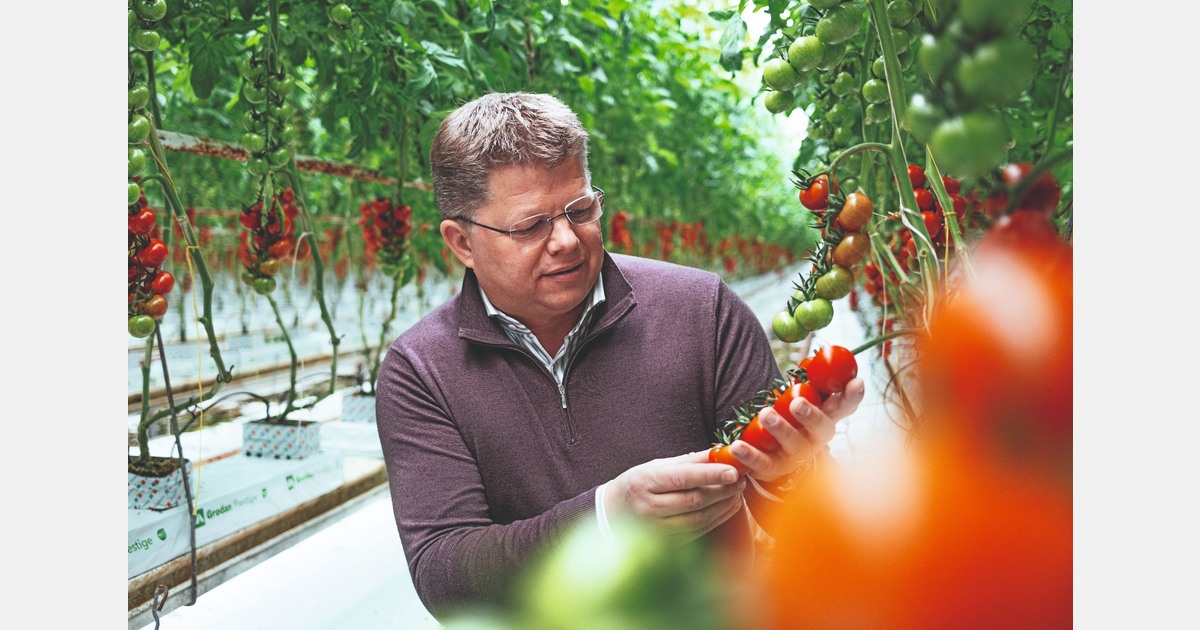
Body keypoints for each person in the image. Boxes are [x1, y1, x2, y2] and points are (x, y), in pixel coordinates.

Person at [374, 92, 865, 619]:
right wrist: (607, 514)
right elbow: (445, 573)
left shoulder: (703, 311)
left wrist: (790, 470)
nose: (565, 239)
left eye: (580, 210)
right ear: (462, 243)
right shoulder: (420, 371)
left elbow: (811, 522)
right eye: (530, 225)